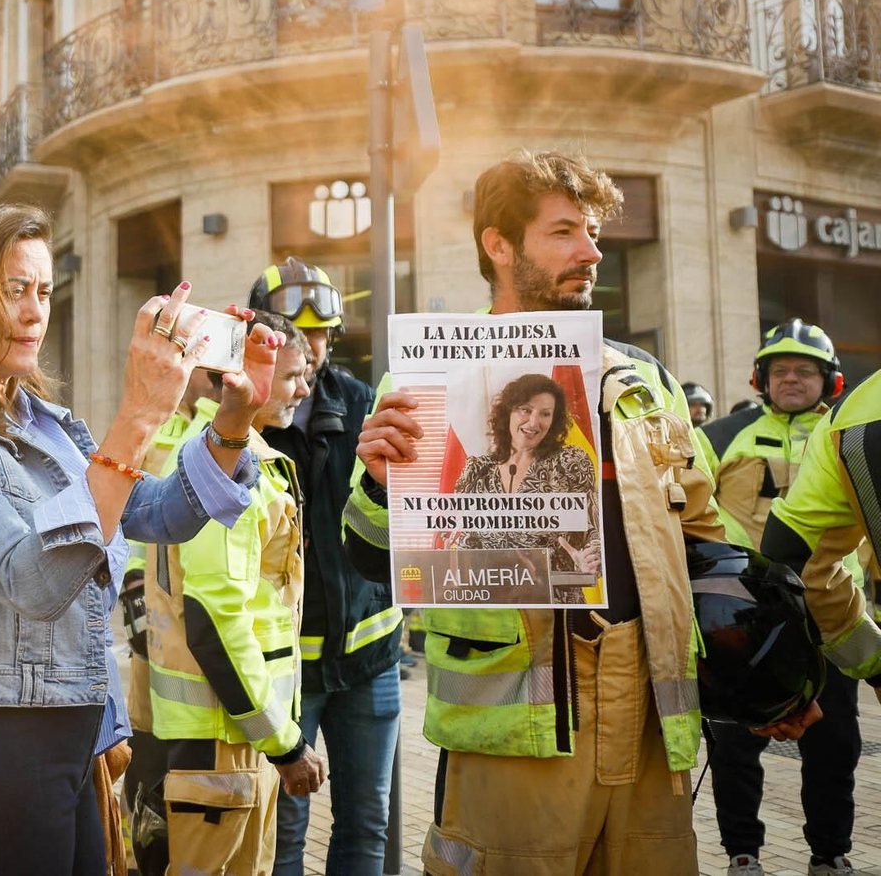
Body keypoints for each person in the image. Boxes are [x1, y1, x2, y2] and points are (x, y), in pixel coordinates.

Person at [342, 149, 816, 876]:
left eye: (593, 233)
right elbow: (374, 557)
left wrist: (767, 678)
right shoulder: (427, 374)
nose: (592, 252)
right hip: (517, 728)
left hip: (652, 721)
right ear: (498, 244)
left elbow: (703, 540)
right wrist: (380, 488)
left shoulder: (646, 379)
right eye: (564, 232)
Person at [0, 203, 281, 874]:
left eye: (42, 291)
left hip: (71, 731)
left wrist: (233, 422)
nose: (36, 311)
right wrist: (139, 415)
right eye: (13, 291)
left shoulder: (42, 420)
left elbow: (152, 513)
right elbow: (34, 581)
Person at [146, 311, 326, 876]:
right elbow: (214, 615)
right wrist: (285, 742)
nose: (302, 387)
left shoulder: (234, 455)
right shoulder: (232, 464)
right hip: (227, 735)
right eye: (291, 373)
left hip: (231, 732)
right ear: (238, 375)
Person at [249, 259, 398, 876]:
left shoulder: (365, 405)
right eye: (292, 330)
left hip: (370, 660)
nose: (308, 347)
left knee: (367, 825)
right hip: (288, 673)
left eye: (319, 333)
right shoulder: (247, 420)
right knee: (284, 835)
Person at [704, 321, 861, 876]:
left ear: (831, 381)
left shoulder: (850, 436)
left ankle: (830, 854)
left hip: (831, 619)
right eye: (780, 371)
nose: (791, 379)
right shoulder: (723, 435)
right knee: (734, 749)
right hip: (742, 622)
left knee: (835, 747)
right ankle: (742, 854)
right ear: (759, 380)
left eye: (805, 371)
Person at [122, 375, 224, 876]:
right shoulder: (149, 431)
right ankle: (141, 847)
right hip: (153, 635)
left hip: (198, 633)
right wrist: (132, 586)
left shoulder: (214, 432)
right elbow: (119, 519)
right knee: (147, 758)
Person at [451, 373, 600, 602]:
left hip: (555, 606)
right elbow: (465, 543)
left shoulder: (569, 463)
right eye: (525, 410)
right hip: (493, 607)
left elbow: (593, 530)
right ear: (508, 412)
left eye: (545, 414)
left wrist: (590, 559)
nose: (533, 422)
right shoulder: (478, 470)